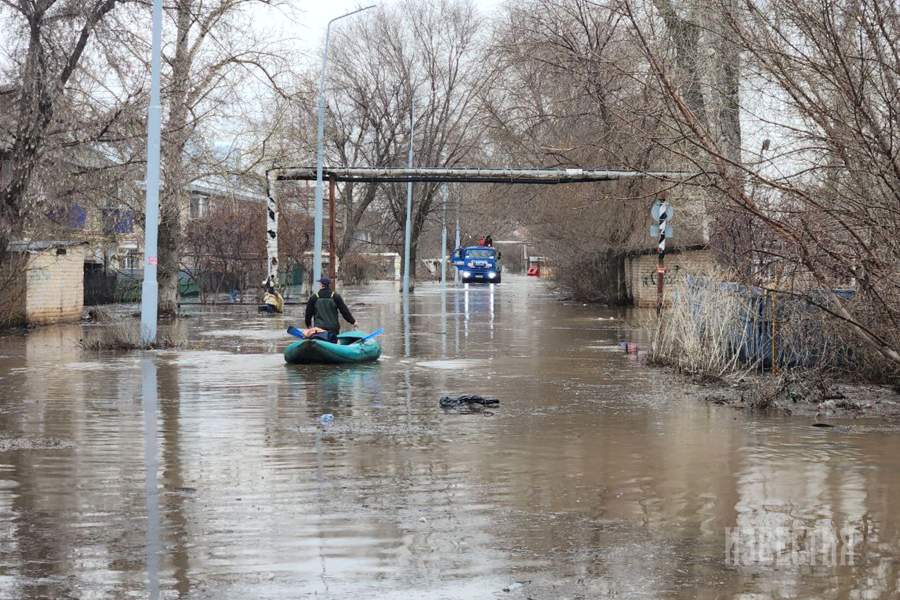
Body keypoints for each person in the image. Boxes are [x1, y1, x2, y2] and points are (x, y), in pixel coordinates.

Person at [304, 277, 356, 342]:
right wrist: (353, 322)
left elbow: (308, 314)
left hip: (319, 330)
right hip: (333, 330)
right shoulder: (335, 296)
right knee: (333, 343)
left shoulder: (314, 297)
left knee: (320, 343)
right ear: (328, 285)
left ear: (321, 285)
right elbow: (344, 311)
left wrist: (308, 325)